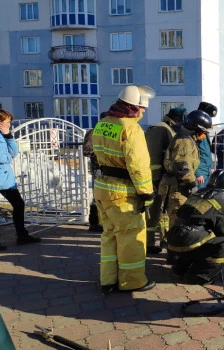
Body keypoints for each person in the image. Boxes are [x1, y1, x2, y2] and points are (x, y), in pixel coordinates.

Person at [92, 85, 156, 294]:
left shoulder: (102, 124)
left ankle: (108, 280)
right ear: (132, 107)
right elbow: (138, 165)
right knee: (130, 237)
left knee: (109, 235)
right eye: (141, 107)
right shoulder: (131, 128)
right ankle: (133, 281)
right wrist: (146, 192)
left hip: (102, 188)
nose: (144, 111)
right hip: (123, 193)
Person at [158, 109, 212, 264]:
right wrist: (192, 185)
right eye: (202, 131)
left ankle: (175, 252)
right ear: (195, 127)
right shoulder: (185, 142)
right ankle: (175, 255)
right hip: (178, 189)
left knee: (178, 221)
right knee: (177, 222)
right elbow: (183, 167)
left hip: (179, 187)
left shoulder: (187, 139)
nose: (203, 135)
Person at [166, 169, 224, 285]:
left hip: (173, 239)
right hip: (189, 241)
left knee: (199, 236)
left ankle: (179, 268)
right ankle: (200, 276)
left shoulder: (198, 193)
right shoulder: (222, 201)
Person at [0, 109, 41, 250]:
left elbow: (14, 151)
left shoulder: (3, 134)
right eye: (8, 122)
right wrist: (8, 157)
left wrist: (8, 135)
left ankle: (22, 235)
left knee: (19, 204)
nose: (10, 124)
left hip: (5, 178)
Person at [144, 107, 186, 254]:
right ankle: (151, 243)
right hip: (156, 178)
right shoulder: (164, 130)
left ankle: (155, 241)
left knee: (156, 212)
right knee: (156, 211)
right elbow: (159, 157)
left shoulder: (157, 128)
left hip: (151, 177)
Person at [82, 113, 107, 233]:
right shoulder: (93, 133)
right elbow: (86, 151)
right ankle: (94, 222)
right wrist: (99, 153)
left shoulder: (108, 133)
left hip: (108, 169)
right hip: (98, 169)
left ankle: (104, 222)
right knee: (98, 196)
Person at [194, 102, 217, 189]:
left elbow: (206, 153)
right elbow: (191, 156)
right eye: (209, 117)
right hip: (200, 174)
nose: (210, 120)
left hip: (207, 172)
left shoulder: (203, 132)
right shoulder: (193, 132)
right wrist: (198, 173)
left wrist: (211, 167)